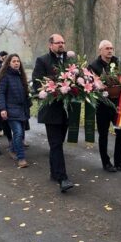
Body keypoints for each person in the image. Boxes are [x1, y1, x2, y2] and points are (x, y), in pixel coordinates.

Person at [32, 34, 74, 192]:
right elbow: (37, 83)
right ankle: (63, 178)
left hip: (66, 110)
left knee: (58, 143)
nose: (62, 45)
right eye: (58, 43)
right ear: (50, 45)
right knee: (56, 144)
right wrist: (53, 87)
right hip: (51, 110)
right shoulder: (42, 61)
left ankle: (54, 172)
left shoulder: (70, 60)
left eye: (63, 42)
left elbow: (76, 78)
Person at [89, 40, 121, 173]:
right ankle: (106, 162)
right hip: (102, 105)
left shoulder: (117, 63)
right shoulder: (93, 66)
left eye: (111, 48)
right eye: (107, 48)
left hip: (117, 104)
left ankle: (119, 162)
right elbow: (90, 86)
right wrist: (100, 87)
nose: (110, 50)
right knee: (103, 134)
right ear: (100, 50)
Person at [0, 54, 30, 168]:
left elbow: (25, 93)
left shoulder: (21, 76)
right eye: (14, 61)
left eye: (18, 61)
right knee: (18, 133)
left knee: (20, 135)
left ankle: (12, 149)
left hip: (22, 110)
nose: (16, 63)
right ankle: (21, 158)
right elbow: (0, 93)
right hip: (11, 110)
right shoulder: (5, 76)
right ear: (8, 63)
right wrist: (3, 109)